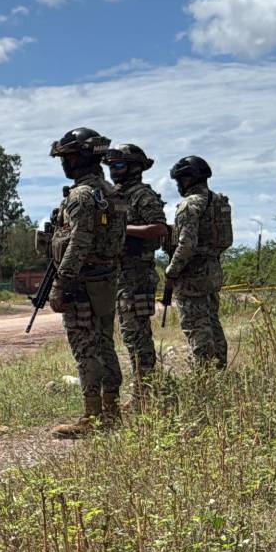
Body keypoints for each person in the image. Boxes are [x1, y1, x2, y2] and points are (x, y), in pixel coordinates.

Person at [40, 127, 126, 437]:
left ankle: (92, 417)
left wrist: (61, 283)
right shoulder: (111, 193)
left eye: (67, 157)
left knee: (85, 348)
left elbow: (78, 242)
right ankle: (112, 411)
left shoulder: (81, 195)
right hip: (105, 280)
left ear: (79, 159)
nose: (64, 163)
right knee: (104, 343)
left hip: (82, 283)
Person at [104, 144, 169, 404]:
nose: (114, 172)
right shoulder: (112, 195)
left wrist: (123, 229)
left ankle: (146, 394)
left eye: (118, 166)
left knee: (137, 335)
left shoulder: (143, 195)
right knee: (128, 335)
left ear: (135, 167)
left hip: (137, 275)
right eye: (111, 167)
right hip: (117, 274)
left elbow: (159, 228)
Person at [163, 155, 233, 368]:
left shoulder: (191, 204)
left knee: (196, 326)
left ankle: (204, 376)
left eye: (179, 180)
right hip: (212, 269)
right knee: (212, 322)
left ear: (187, 179)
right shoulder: (217, 201)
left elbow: (186, 244)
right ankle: (219, 369)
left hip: (192, 274)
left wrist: (171, 271)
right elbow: (226, 240)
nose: (178, 185)